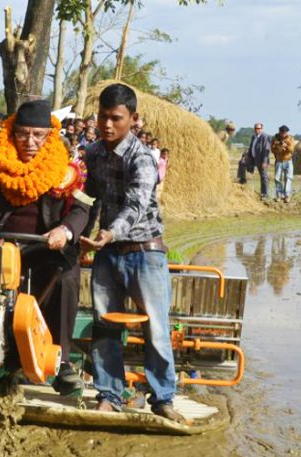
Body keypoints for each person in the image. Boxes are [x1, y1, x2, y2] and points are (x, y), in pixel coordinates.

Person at [0, 100, 90, 396]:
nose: (29, 142)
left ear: (50, 135)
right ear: (12, 132)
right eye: (22, 134)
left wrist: (65, 230)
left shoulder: (67, 164)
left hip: (47, 247)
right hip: (3, 244)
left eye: (37, 135)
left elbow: (82, 208)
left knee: (66, 276)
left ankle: (62, 362)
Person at [80, 83, 184, 423]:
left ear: (133, 119)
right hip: (107, 254)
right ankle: (109, 394)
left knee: (155, 327)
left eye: (116, 118)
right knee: (105, 324)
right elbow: (89, 200)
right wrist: (79, 233)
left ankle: (163, 398)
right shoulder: (93, 153)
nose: (107, 125)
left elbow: (136, 205)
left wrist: (109, 232)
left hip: (145, 251)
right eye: (102, 118)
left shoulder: (142, 158)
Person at [246, 122, 272, 199]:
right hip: (254, 159)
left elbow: (266, 150)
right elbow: (251, 147)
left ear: (262, 129)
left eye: (259, 128)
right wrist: (247, 156)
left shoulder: (265, 137)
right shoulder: (254, 137)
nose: (257, 130)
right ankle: (247, 189)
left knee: (264, 176)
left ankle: (264, 194)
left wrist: (264, 161)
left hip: (262, 160)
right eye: (256, 128)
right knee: (247, 170)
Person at [271, 125, 295, 203]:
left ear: (286, 132)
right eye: (281, 132)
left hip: (288, 160)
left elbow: (292, 150)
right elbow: (272, 149)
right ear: (279, 132)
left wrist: (286, 146)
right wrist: (278, 146)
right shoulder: (275, 138)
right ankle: (279, 195)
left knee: (288, 178)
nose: (283, 134)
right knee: (277, 178)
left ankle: (287, 196)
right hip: (279, 160)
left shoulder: (290, 138)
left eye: (284, 132)